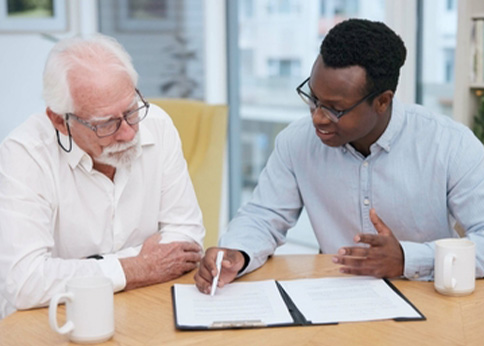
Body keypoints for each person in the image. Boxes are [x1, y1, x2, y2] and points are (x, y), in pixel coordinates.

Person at [195, 18, 484, 294]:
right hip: (333, 301)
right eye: (313, 99)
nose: (318, 118)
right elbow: (263, 216)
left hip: (428, 303)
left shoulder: (450, 145)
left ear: (382, 101)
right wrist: (236, 253)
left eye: (335, 108)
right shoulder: (295, 143)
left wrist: (408, 259)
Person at [0, 34, 204, 321]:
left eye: (130, 111)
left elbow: (188, 240)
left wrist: (87, 270)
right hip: (44, 319)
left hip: (137, 306)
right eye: (107, 124)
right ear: (60, 121)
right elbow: (24, 283)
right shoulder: (24, 153)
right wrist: (137, 267)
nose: (128, 132)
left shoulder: (158, 125)